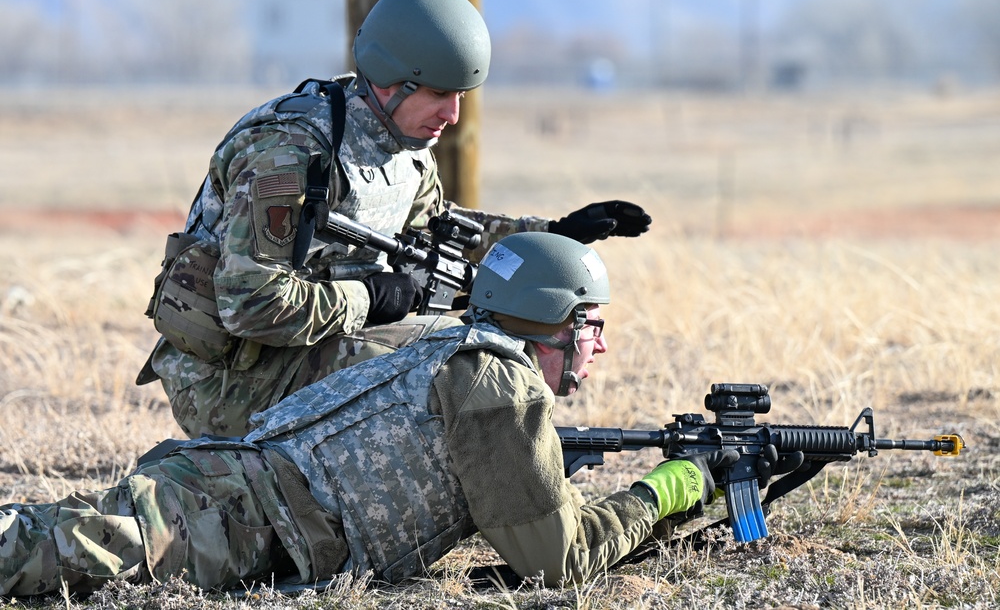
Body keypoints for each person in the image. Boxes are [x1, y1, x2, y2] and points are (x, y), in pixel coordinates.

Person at [0, 232, 781, 596]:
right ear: (553, 323)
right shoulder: (497, 385)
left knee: (49, 539)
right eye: (592, 325)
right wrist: (672, 489)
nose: (600, 347)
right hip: (227, 519)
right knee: (37, 550)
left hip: (222, 487)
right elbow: (557, 562)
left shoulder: (450, 344)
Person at [138, 0, 652, 439]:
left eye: (461, 97)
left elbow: (438, 232)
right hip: (230, 382)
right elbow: (250, 305)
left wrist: (552, 234)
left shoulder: (400, 141)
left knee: (481, 342)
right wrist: (370, 298)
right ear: (391, 80)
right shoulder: (289, 153)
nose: (452, 115)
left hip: (304, 349)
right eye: (439, 94)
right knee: (454, 359)